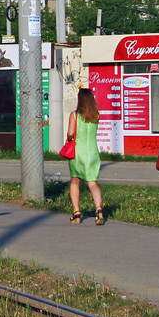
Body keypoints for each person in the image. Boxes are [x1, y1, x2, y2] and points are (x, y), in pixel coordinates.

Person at [67, 88, 105, 225]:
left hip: (78, 152)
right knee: (92, 182)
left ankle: (77, 213)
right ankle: (99, 210)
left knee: (75, 181)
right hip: (93, 152)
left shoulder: (75, 115)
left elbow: (71, 133)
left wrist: (69, 138)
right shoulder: (96, 115)